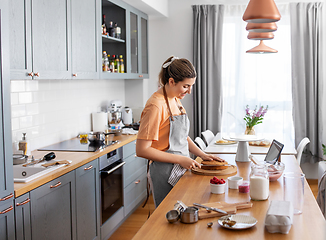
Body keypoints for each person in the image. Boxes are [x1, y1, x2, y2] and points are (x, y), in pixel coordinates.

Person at [136, 56, 225, 207]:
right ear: (171, 81)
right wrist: (180, 159)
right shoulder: (156, 106)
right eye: (186, 86)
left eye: (191, 86)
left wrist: (202, 154)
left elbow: (182, 136)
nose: (189, 91)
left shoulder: (175, 99)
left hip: (181, 166)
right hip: (164, 172)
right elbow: (141, 150)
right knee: (168, 219)